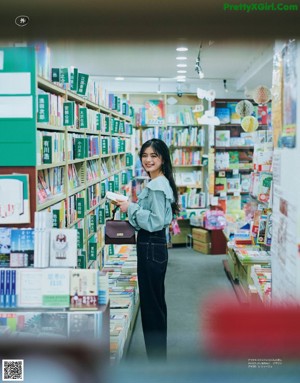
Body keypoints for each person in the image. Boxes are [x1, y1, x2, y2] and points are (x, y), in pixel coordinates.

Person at [117, 138, 180, 361]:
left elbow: (155, 221)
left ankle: (156, 361)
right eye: (145, 155)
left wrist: (130, 207)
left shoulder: (156, 186)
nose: (148, 160)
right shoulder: (161, 181)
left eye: (154, 156)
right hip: (155, 245)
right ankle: (158, 357)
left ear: (163, 158)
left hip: (150, 244)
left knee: (151, 305)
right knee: (156, 302)